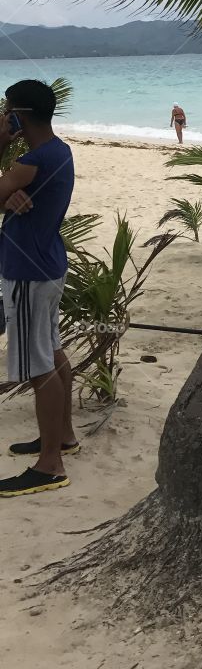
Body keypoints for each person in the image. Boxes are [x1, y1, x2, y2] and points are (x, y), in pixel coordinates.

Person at [0, 80, 76, 497]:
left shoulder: (29, 163)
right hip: (48, 264)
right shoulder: (57, 152)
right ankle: (62, 436)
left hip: (27, 273)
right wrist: (8, 196)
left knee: (38, 366)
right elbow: (8, 192)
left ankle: (50, 464)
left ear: (18, 116)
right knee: (52, 350)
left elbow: (10, 183)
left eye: (7, 110)